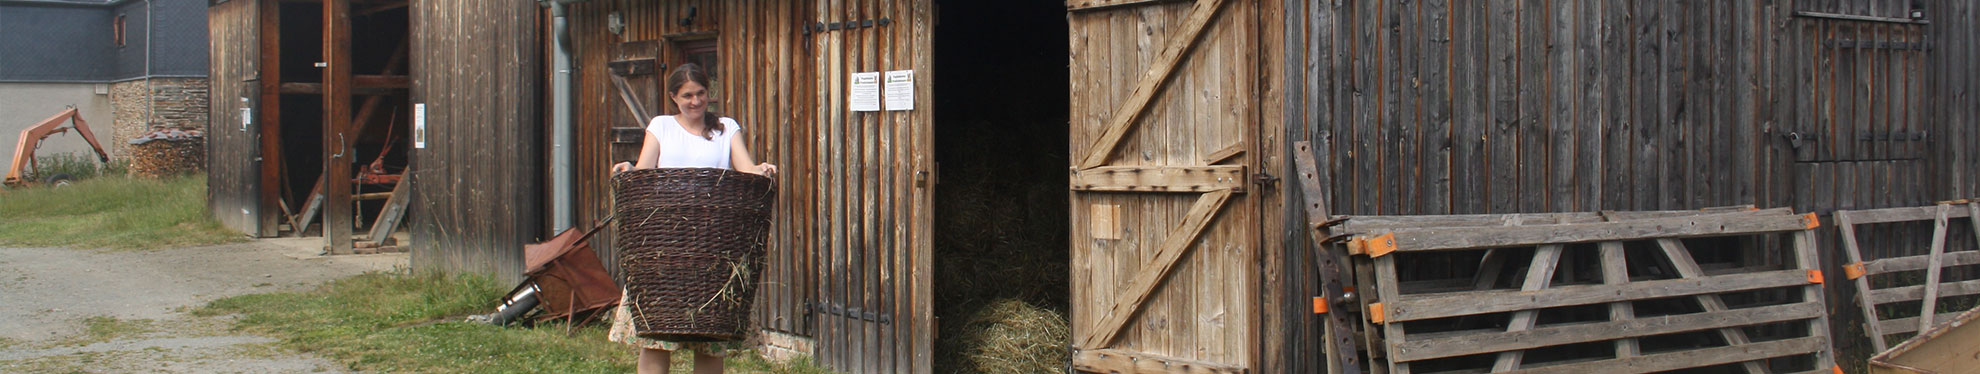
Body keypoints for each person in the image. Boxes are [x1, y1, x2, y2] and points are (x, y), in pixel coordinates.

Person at [608, 63, 775, 374]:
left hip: (713, 245)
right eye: (687, 96)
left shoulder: (726, 128)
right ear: (674, 97)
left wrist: (761, 169)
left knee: (711, 339)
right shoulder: (661, 126)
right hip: (664, 245)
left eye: (700, 94)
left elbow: (745, 167)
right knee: (657, 339)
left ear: (708, 94)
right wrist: (628, 170)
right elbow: (644, 170)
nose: (695, 102)